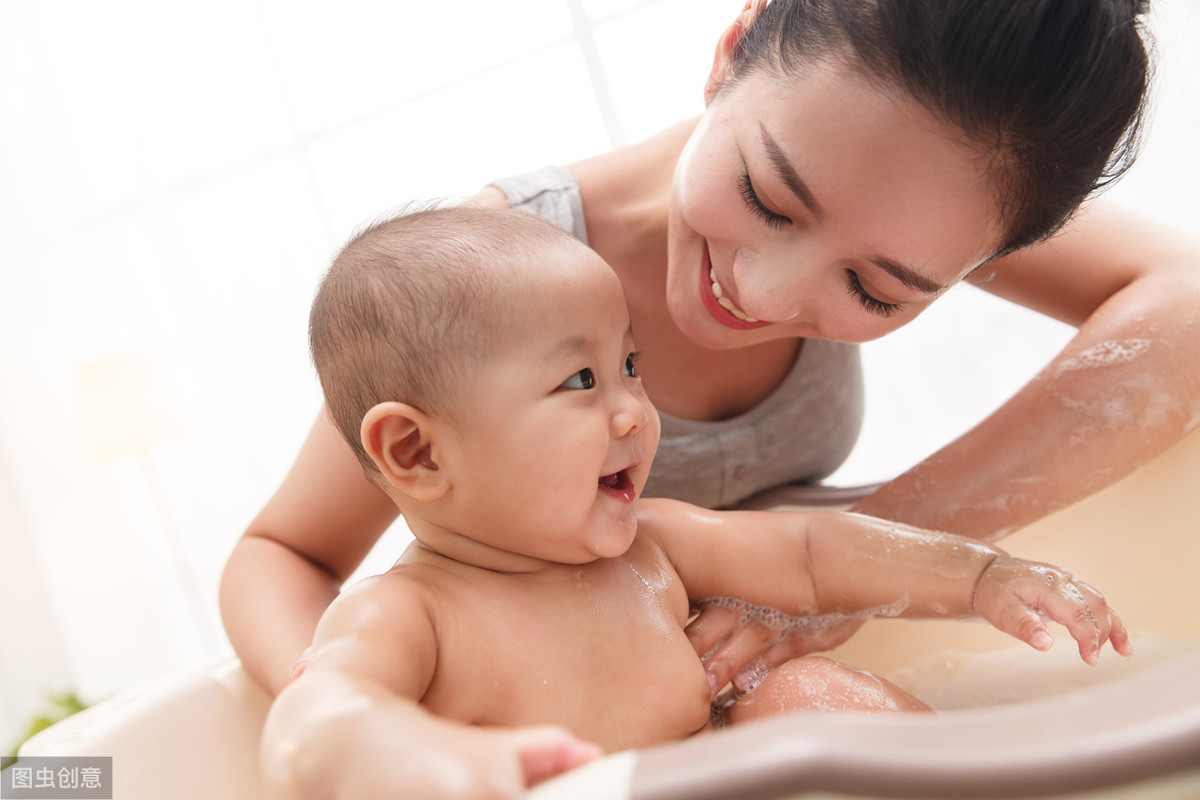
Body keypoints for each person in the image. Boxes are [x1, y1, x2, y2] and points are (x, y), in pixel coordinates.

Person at [222, 0, 1200, 698]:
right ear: (733, 47)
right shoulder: (486, 277)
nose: (761, 295)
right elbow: (285, 553)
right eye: (771, 198)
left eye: (876, 287)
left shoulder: (945, 185)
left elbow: (1187, 309)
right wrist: (366, 713)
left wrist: (862, 567)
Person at [259, 205, 1131, 799]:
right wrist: (439, 762)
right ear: (415, 451)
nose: (636, 408)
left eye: (630, 365)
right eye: (580, 379)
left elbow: (812, 556)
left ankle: (990, 781)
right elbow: (318, 721)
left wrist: (979, 576)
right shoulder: (410, 616)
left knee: (807, 691)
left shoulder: (654, 545)